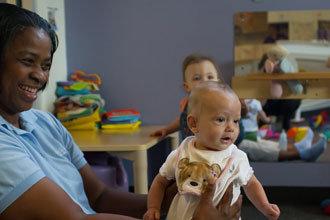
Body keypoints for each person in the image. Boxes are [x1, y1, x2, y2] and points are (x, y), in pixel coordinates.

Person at [0, 4, 241, 220]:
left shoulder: (45, 123)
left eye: (45, 65)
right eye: (27, 61)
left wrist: (175, 197)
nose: (40, 75)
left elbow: (100, 197)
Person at [144, 82, 280, 220]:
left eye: (236, 121)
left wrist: (265, 205)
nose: (231, 128)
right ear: (193, 124)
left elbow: (251, 183)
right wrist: (153, 207)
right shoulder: (182, 151)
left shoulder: (236, 157)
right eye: (221, 119)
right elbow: (160, 182)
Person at [150, 54, 223, 141]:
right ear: (187, 86)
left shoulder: (222, 104)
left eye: (210, 77)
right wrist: (167, 130)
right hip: (189, 149)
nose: (204, 81)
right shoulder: (187, 104)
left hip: (213, 150)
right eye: (197, 78)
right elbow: (182, 121)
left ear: (218, 82)